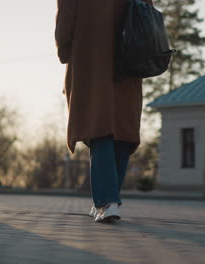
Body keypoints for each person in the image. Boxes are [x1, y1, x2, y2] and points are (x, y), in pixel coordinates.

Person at [55, 0, 152, 222]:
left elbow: (65, 19)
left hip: (92, 59)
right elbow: (147, 12)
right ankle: (108, 201)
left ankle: (107, 202)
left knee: (98, 128)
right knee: (121, 131)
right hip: (129, 59)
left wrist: (64, 51)